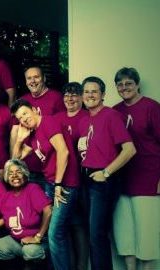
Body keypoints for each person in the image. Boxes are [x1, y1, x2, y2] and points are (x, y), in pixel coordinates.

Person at [11, 99, 80, 270]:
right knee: (55, 232)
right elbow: (15, 160)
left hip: (65, 184)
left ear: (34, 109)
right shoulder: (33, 133)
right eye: (20, 118)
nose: (24, 119)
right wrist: (19, 140)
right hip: (50, 183)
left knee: (55, 232)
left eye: (25, 113)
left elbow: (63, 152)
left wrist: (58, 185)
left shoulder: (48, 122)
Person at [77, 76, 136, 270]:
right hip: (86, 179)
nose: (90, 95)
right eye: (86, 91)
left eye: (94, 91)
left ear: (103, 94)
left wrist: (106, 172)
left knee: (97, 234)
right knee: (92, 233)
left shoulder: (111, 116)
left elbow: (129, 150)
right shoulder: (84, 120)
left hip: (104, 182)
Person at [112, 67, 160, 270]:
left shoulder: (152, 107)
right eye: (120, 84)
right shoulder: (114, 111)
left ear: (137, 84)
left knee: (147, 234)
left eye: (129, 83)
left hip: (148, 178)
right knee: (125, 235)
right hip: (122, 180)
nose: (124, 88)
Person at [0, 159, 52, 270]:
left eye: (18, 172)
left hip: (37, 242)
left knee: (29, 251)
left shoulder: (33, 189)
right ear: (6, 178)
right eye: (10, 173)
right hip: (17, 241)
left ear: (25, 174)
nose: (14, 175)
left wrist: (38, 237)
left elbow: (48, 210)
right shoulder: (7, 196)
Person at [11, 66, 66, 186]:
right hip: (29, 165)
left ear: (44, 78)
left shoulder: (56, 98)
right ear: (25, 82)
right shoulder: (22, 101)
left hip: (53, 169)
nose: (33, 81)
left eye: (36, 77)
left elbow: (63, 131)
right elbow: (15, 131)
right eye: (29, 78)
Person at [54, 82, 89, 270]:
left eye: (75, 95)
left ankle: (82, 266)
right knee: (64, 225)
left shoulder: (86, 116)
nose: (70, 98)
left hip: (82, 179)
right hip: (62, 178)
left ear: (82, 98)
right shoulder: (57, 118)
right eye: (67, 95)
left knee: (79, 224)